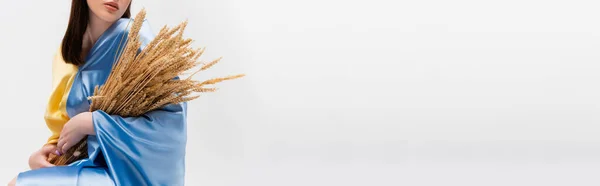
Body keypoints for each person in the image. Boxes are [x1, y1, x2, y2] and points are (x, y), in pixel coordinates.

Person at [8, 0, 188, 185]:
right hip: (85, 165)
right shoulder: (65, 55)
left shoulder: (134, 38)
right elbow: (64, 128)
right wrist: (49, 152)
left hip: (128, 174)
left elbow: (172, 127)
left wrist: (95, 123)